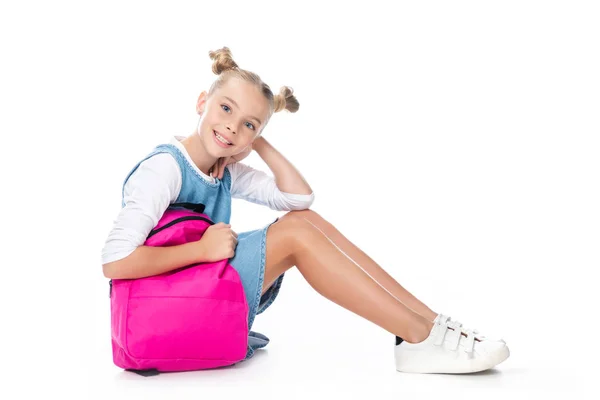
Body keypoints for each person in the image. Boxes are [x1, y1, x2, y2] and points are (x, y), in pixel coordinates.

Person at [101, 46, 510, 374]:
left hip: (196, 291)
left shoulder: (223, 167)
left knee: (304, 222)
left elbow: (298, 199)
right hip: (163, 310)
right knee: (296, 235)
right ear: (202, 102)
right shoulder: (165, 168)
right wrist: (200, 251)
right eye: (225, 110)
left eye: (249, 124)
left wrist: (255, 142)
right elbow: (114, 262)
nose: (232, 128)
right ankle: (417, 338)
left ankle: (429, 325)